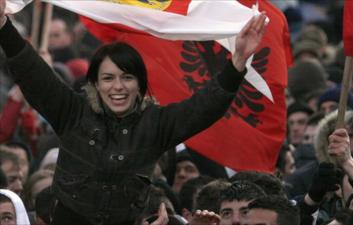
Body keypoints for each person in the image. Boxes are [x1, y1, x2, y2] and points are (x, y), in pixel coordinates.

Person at [0, 1, 267, 224]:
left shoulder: (156, 124)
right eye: (108, 78)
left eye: (127, 78)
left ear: (139, 85)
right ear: (95, 83)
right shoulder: (72, 112)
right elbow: (33, 73)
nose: (118, 87)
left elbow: (204, 108)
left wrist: (238, 63)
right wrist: (3, 26)